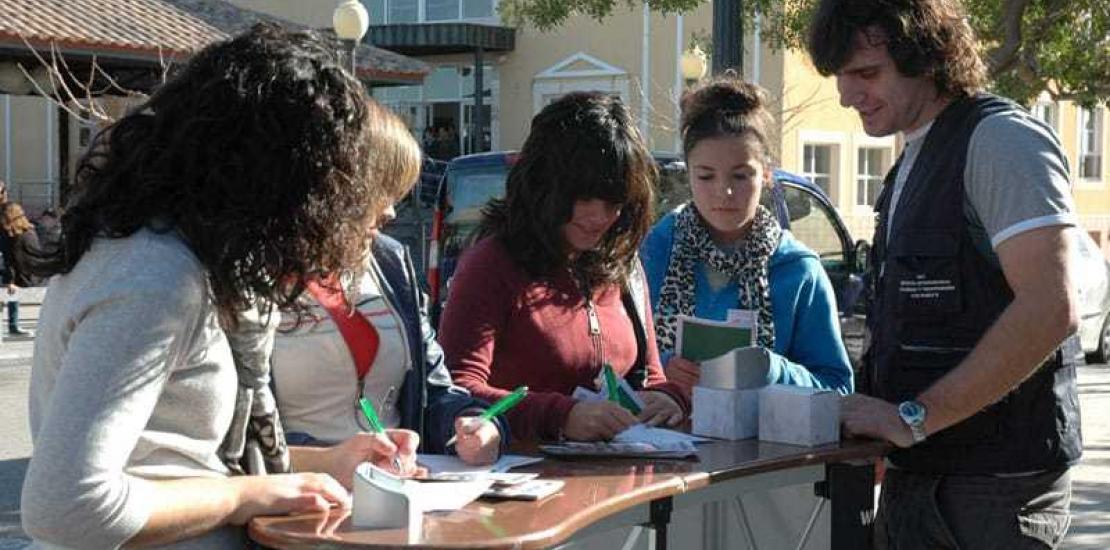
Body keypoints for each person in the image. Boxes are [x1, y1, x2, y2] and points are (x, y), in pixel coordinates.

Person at [21, 24, 423, 549]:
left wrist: (327, 462)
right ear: (280, 175)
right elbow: (65, 507)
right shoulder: (154, 279)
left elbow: (176, 462)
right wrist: (243, 497)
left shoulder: (172, 257)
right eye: (339, 181)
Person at [807, 0, 1081, 548]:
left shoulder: (1001, 141)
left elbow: (1051, 308)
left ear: (927, 58)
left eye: (866, 73)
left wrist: (913, 417)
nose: (846, 94)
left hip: (995, 490)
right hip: (923, 478)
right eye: (841, 76)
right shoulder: (914, 153)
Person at [438, 92, 688, 443]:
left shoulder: (623, 264)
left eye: (614, 201)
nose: (598, 217)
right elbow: (456, 393)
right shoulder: (491, 264)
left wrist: (666, 400)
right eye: (583, 197)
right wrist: (560, 416)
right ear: (543, 186)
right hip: (523, 482)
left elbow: (649, 377)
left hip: (622, 479)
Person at [271, 100, 505, 465]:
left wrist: (479, 424)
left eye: (397, 193)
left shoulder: (389, 259)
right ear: (329, 188)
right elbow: (237, 430)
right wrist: (327, 458)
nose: (391, 211)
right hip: (294, 503)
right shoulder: (249, 274)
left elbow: (434, 388)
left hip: (397, 491)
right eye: (380, 190)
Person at [640, 76, 853, 400]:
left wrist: (771, 371)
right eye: (706, 175)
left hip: (765, 447)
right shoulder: (655, 251)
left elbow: (837, 388)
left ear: (766, 174)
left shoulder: (798, 270)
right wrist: (661, 369)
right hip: (664, 441)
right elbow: (617, 363)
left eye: (740, 176)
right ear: (689, 172)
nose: (723, 192)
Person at [0, 202, 41, 336]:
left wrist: (10, 279)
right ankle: (13, 325)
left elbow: (9, 258)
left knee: (10, 296)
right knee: (13, 298)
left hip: (11, 272)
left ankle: (13, 325)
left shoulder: (9, 235)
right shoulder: (29, 231)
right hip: (25, 272)